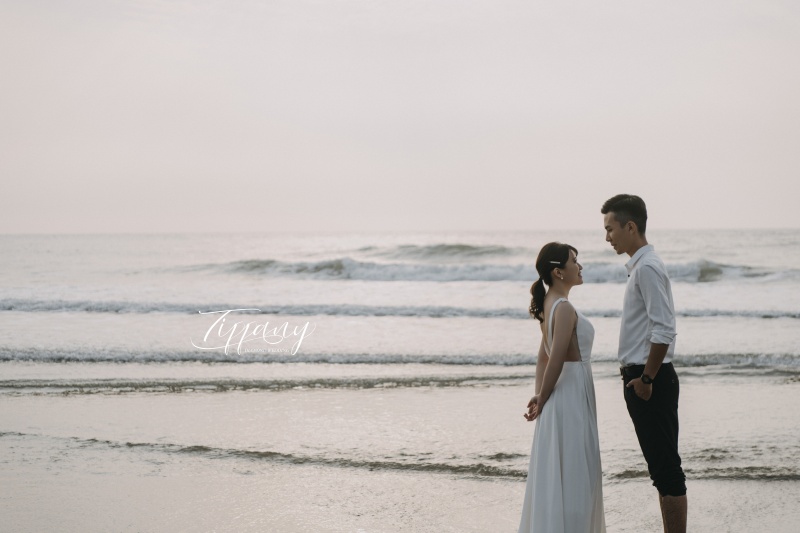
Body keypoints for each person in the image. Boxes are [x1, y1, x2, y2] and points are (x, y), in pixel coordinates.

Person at [601, 194, 687, 532]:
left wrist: (647, 379)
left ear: (630, 227)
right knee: (661, 470)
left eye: (610, 229)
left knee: (666, 470)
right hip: (646, 376)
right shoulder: (641, 267)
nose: (607, 237)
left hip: (650, 378)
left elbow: (664, 329)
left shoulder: (647, 268)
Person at [518, 242, 606, 533]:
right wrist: (542, 396)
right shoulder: (564, 308)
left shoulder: (549, 304)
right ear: (558, 272)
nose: (580, 267)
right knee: (576, 476)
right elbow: (553, 357)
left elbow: (542, 357)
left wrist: (540, 396)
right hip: (570, 396)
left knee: (562, 475)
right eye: (574, 261)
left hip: (559, 396)